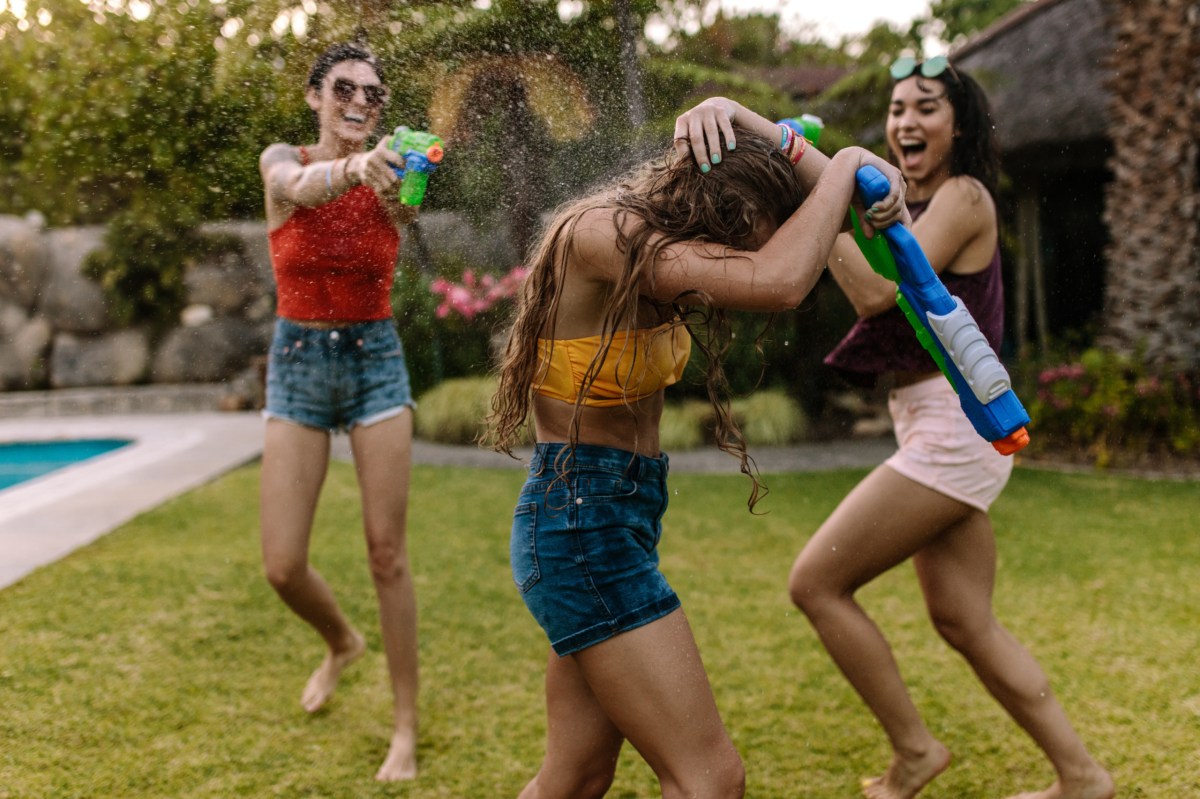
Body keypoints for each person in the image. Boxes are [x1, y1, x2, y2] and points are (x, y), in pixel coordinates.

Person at [486, 96, 907, 798]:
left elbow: (794, 251)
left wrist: (742, 115)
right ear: (723, 205)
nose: (740, 258)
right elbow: (779, 281)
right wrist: (856, 162)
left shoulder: (655, 236)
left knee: (575, 774)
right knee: (710, 778)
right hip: (581, 525)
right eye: (746, 237)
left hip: (611, 520)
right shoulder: (606, 234)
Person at [787, 56, 1115, 799]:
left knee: (817, 583)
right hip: (930, 422)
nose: (906, 121)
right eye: (898, 108)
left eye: (927, 107)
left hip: (955, 425)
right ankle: (1084, 776)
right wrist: (837, 201)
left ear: (959, 124)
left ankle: (914, 751)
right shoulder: (901, 203)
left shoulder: (963, 196)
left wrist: (821, 195)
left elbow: (876, 296)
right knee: (967, 620)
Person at [258, 41, 421, 782]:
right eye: (346, 89)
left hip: (374, 361)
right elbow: (296, 185)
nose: (361, 101)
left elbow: (400, 212)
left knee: (387, 554)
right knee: (283, 565)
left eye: (374, 94)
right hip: (298, 362)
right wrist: (354, 166)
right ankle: (342, 641)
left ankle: (405, 728)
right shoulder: (280, 162)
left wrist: (400, 175)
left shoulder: (390, 176)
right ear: (315, 96)